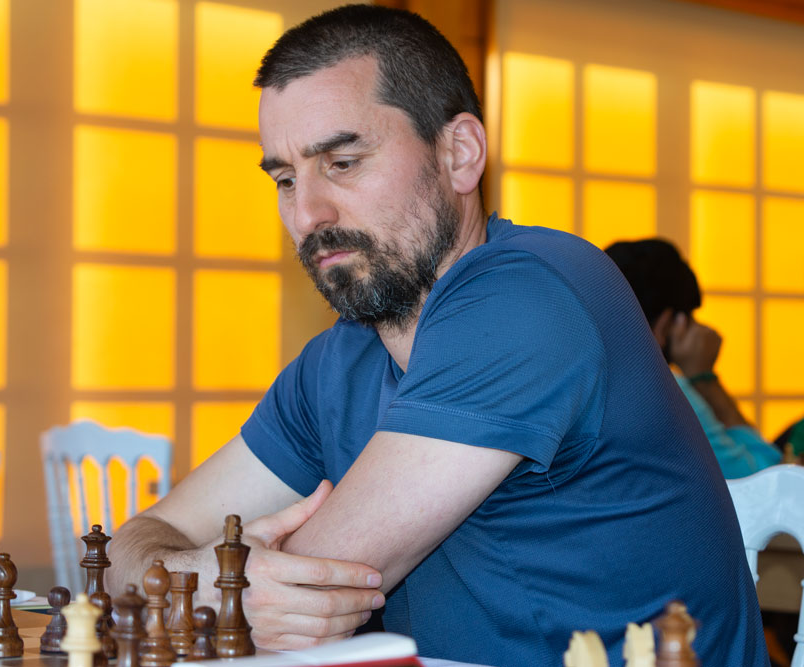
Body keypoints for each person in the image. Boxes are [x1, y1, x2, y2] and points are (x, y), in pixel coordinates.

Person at [107, 5, 766, 665]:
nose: (306, 214)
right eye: (285, 179)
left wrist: (202, 581)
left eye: (342, 162)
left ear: (460, 154)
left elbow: (313, 589)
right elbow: (125, 553)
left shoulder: (530, 295)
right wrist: (211, 576)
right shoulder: (338, 360)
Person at [604, 238, 782, 479]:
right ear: (669, 323)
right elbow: (766, 480)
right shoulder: (666, 390)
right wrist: (705, 380)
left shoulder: (574, 379)